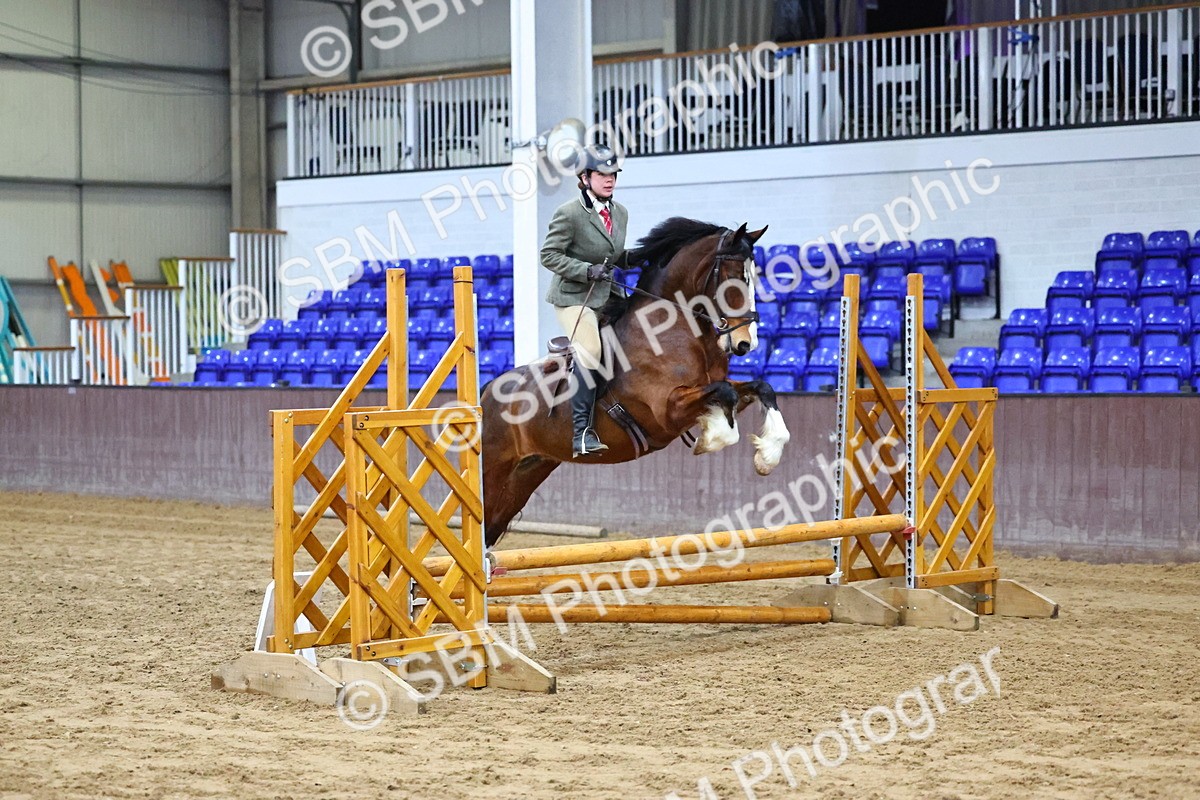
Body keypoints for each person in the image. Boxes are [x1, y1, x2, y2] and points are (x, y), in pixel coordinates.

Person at [539, 144, 628, 458]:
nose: (609, 180)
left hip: (607, 294)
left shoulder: (620, 213)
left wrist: (641, 258)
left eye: (613, 175)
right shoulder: (569, 213)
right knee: (590, 350)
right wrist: (585, 271)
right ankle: (581, 433)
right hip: (574, 297)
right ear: (585, 177)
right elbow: (548, 256)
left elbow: (613, 255)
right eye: (602, 174)